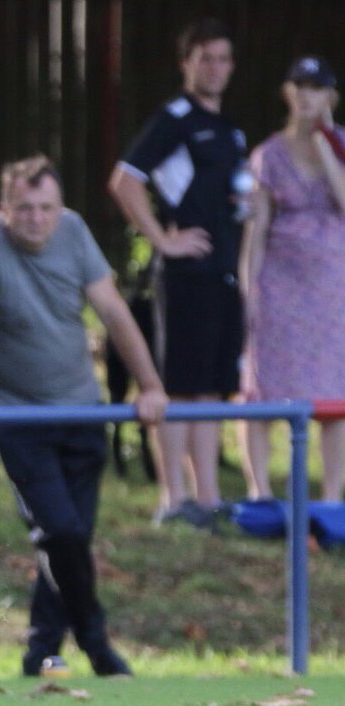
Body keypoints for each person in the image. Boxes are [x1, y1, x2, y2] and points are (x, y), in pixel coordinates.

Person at [0, 155, 168, 677]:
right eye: (25, 208)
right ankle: (96, 642)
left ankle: (41, 648)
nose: (37, 218)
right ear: (5, 208)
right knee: (60, 531)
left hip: (84, 412)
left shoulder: (74, 231)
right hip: (20, 420)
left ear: (60, 207)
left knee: (68, 540)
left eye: (46, 207)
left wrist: (150, 385)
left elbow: (112, 311)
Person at [108, 18, 245, 529]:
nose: (215, 68)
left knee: (210, 389)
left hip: (223, 274)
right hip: (185, 277)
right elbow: (125, 181)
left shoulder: (230, 129)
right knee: (179, 387)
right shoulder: (176, 119)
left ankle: (206, 500)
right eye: (205, 57)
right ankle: (173, 497)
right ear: (186, 63)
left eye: (223, 58)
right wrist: (164, 239)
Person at [240, 57, 345, 502]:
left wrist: (324, 141)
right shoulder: (269, 154)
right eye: (298, 87)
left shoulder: (340, 145)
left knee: (334, 390)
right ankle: (260, 490)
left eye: (316, 88)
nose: (306, 96)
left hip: (332, 289)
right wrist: (249, 287)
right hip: (281, 284)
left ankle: (332, 496)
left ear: (330, 98)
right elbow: (257, 226)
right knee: (262, 385)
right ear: (288, 94)